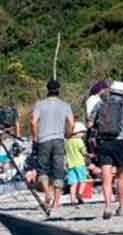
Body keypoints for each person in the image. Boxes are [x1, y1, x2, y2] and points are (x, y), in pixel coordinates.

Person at [88, 81, 123, 219]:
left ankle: (107, 206)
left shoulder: (100, 103)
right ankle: (122, 206)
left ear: (110, 91)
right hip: (121, 143)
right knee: (121, 177)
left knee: (106, 177)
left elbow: (90, 123)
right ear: (122, 92)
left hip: (104, 143)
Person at [31, 78, 75, 212]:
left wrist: (35, 137)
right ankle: (56, 202)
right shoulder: (65, 105)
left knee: (43, 169)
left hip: (44, 139)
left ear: (47, 90)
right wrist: (68, 134)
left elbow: (33, 122)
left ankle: (47, 194)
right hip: (59, 139)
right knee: (58, 171)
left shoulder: (40, 104)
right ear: (58, 90)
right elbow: (72, 123)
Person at [65, 122, 89, 207]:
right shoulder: (79, 141)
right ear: (77, 132)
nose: (83, 134)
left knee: (73, 183)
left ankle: (72, 200)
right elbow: (84, 152)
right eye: (82, 132)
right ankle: (79, 194)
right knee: (83, 180)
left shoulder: (67, 142)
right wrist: (88, 155)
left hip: (71, 165)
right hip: (80, 164)